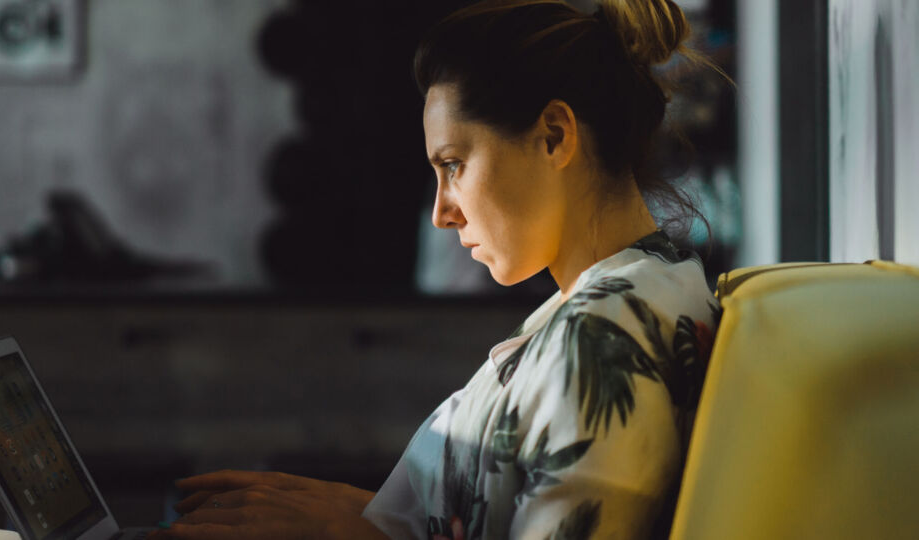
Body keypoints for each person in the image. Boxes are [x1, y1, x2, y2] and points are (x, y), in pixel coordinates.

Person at [159, 1, 726, 538]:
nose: (441, 213)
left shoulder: (602, 339)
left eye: (454, 164)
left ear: (554, 137)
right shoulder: (647, 282)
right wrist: (370, 514)